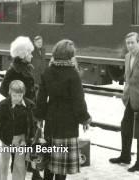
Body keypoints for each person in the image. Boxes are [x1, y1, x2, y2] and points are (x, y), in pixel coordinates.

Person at [35, 39, 91, 180]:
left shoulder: (48, 72)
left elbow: (40, 99)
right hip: (68, 123)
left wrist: (39, 117)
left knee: (49, 160)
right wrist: (84, 118)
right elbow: (78, 101)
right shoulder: (73, 74)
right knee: (62, 166)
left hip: (51, 120)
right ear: (70, 55)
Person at [109, 32, 139, 172]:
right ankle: (125, 156)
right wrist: (125, 93)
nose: (130, 46)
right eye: (128, 43)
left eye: (132, 43)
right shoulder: (127, 56)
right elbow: (127, 78)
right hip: (130, 98)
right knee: (125, 127)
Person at [0, 80, 36, 180]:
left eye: (20, 95)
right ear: (10, 93)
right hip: (6, 138)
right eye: (14, 95)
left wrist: (31, 137)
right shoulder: (4, 106)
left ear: (23, 94)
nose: (17, 98)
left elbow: (31, 124)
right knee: (4, 161)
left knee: (20, 164)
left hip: (21, 139)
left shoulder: (28, 106)